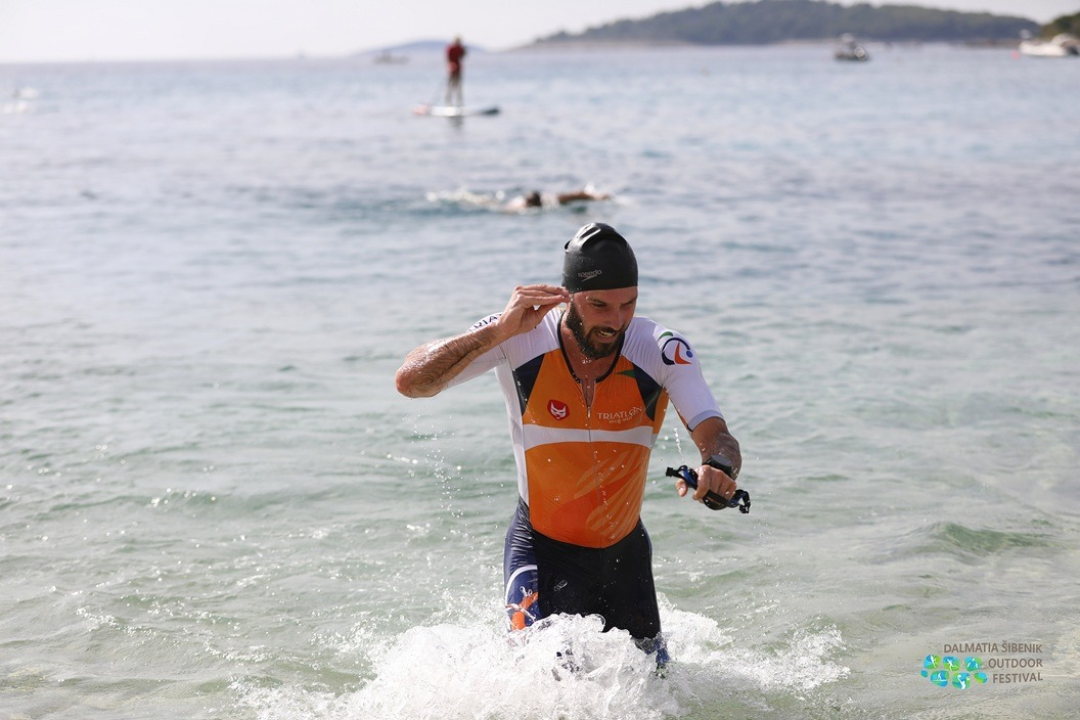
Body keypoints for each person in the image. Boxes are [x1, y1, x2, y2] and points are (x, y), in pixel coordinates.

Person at [394, 222, 742, 668]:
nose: (615, 321)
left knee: (658, 698)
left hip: (625, 557)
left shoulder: (660, 349)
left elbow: (717, 435)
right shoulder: (521, 337)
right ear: (568, 295)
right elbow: (412, 382)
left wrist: (718, 467)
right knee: (546, 694)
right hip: (541, 551)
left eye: (628, 305)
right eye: (599, 305)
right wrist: (497, 331)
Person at [445, 36, 466, 107]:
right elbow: (448, 58)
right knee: (450, 86)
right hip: (452, 70)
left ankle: (459, 104)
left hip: (458, 70)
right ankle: (448, 103)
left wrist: (463, 51)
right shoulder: (451, 48)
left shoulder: (460, 48)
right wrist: (451, 66)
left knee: (459, 87)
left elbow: (462, 56)